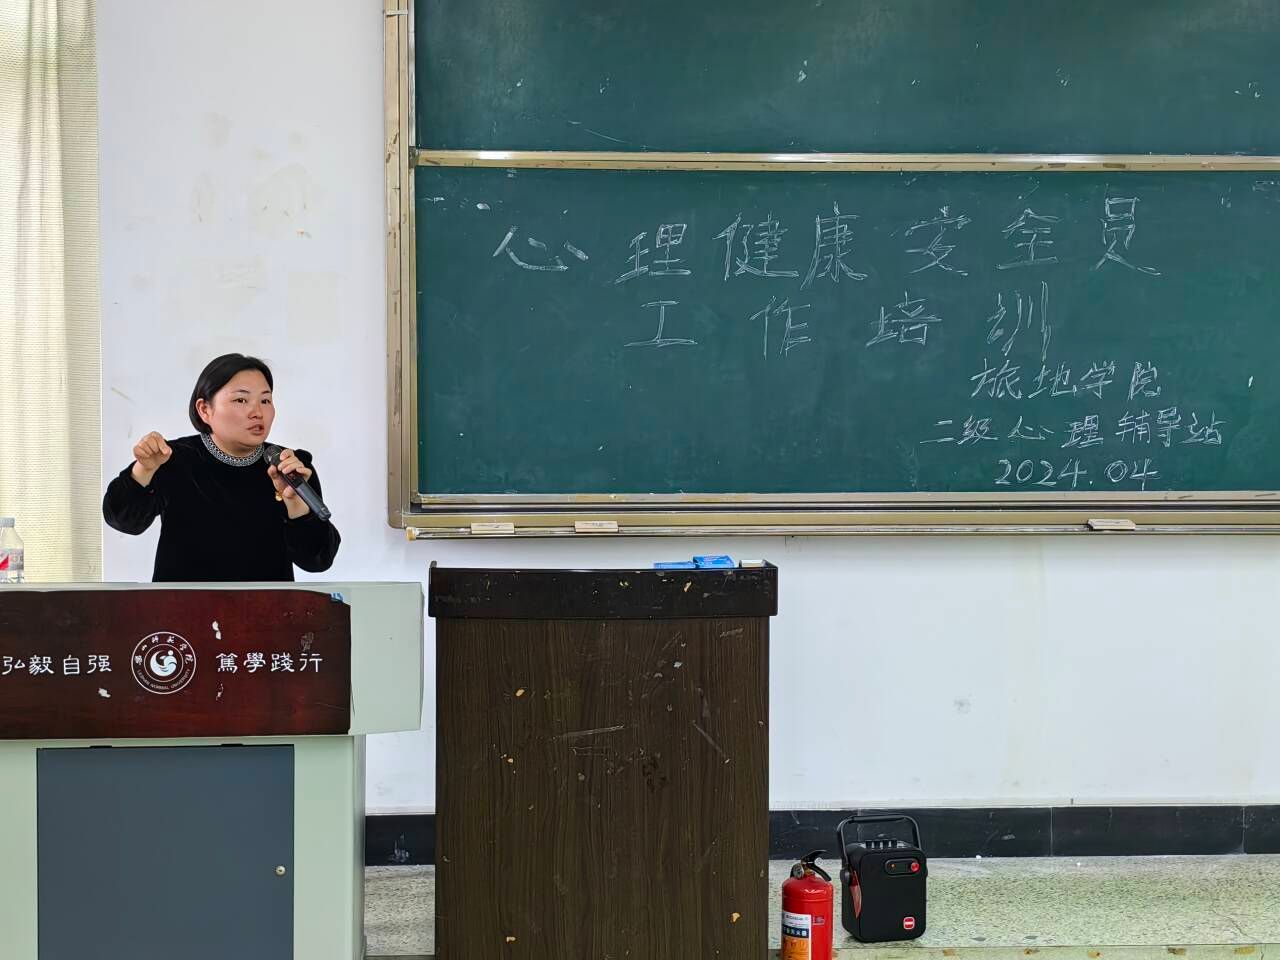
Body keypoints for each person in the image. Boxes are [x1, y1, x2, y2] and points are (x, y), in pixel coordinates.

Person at [103, 353, 340, 582]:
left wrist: (295, 503)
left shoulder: (288, 466)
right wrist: (144, 470)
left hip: (266, 607)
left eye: (265, 400)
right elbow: (123, 521)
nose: (257, 412)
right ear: (205, 409)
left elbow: (318, 560)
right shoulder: (172, 459)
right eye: (241, 400)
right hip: (183, 607)